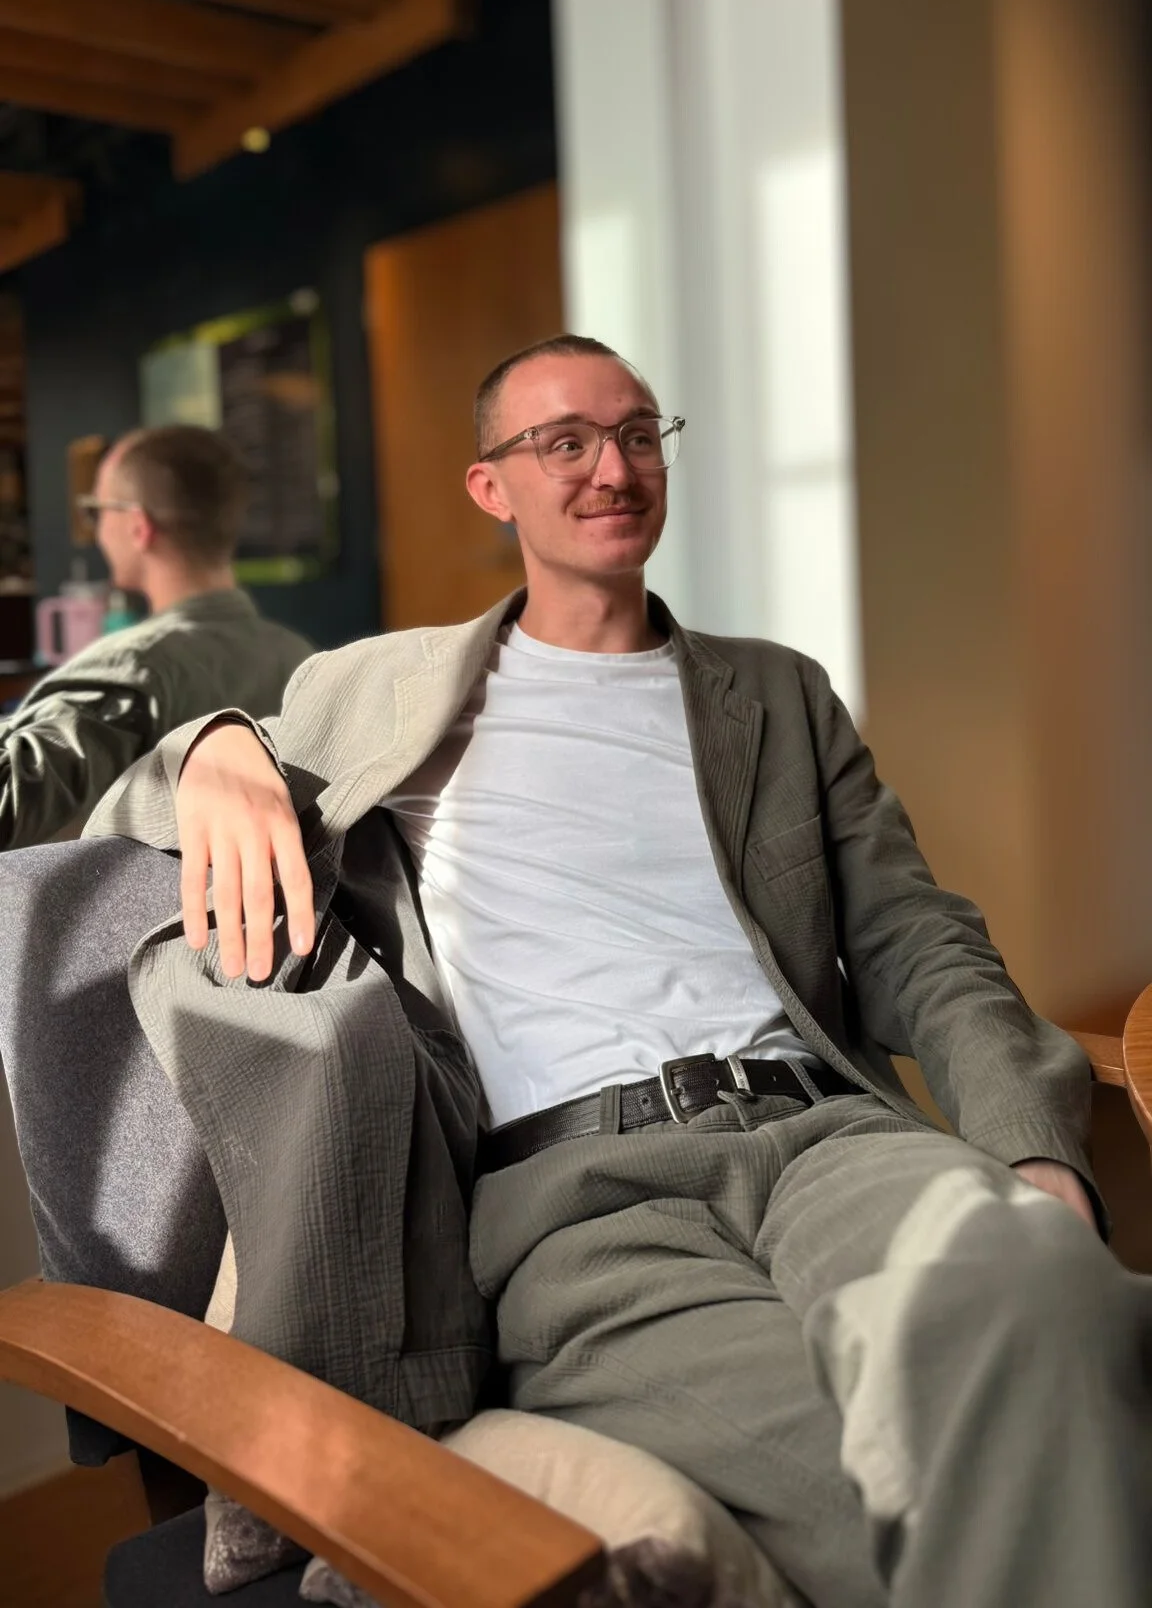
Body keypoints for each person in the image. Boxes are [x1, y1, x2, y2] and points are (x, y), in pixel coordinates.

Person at [90, 338, 1151, 1608]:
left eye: (639, 433)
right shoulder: (380, 686)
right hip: (580, 1208)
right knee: (906, 1481)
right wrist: (210, 745)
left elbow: (918, 933)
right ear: (494, 487)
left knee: (1046, 1301)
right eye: (565, 441)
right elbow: (126, 816)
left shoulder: (777, 693)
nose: (612, 467)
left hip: (828, 1139)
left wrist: (1033, 1147)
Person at [0, 424, 312, 847]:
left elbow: (10, 803)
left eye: (97, 511)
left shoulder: (136, 667)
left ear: (137, 526)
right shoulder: (298, 657)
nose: (97, 530)